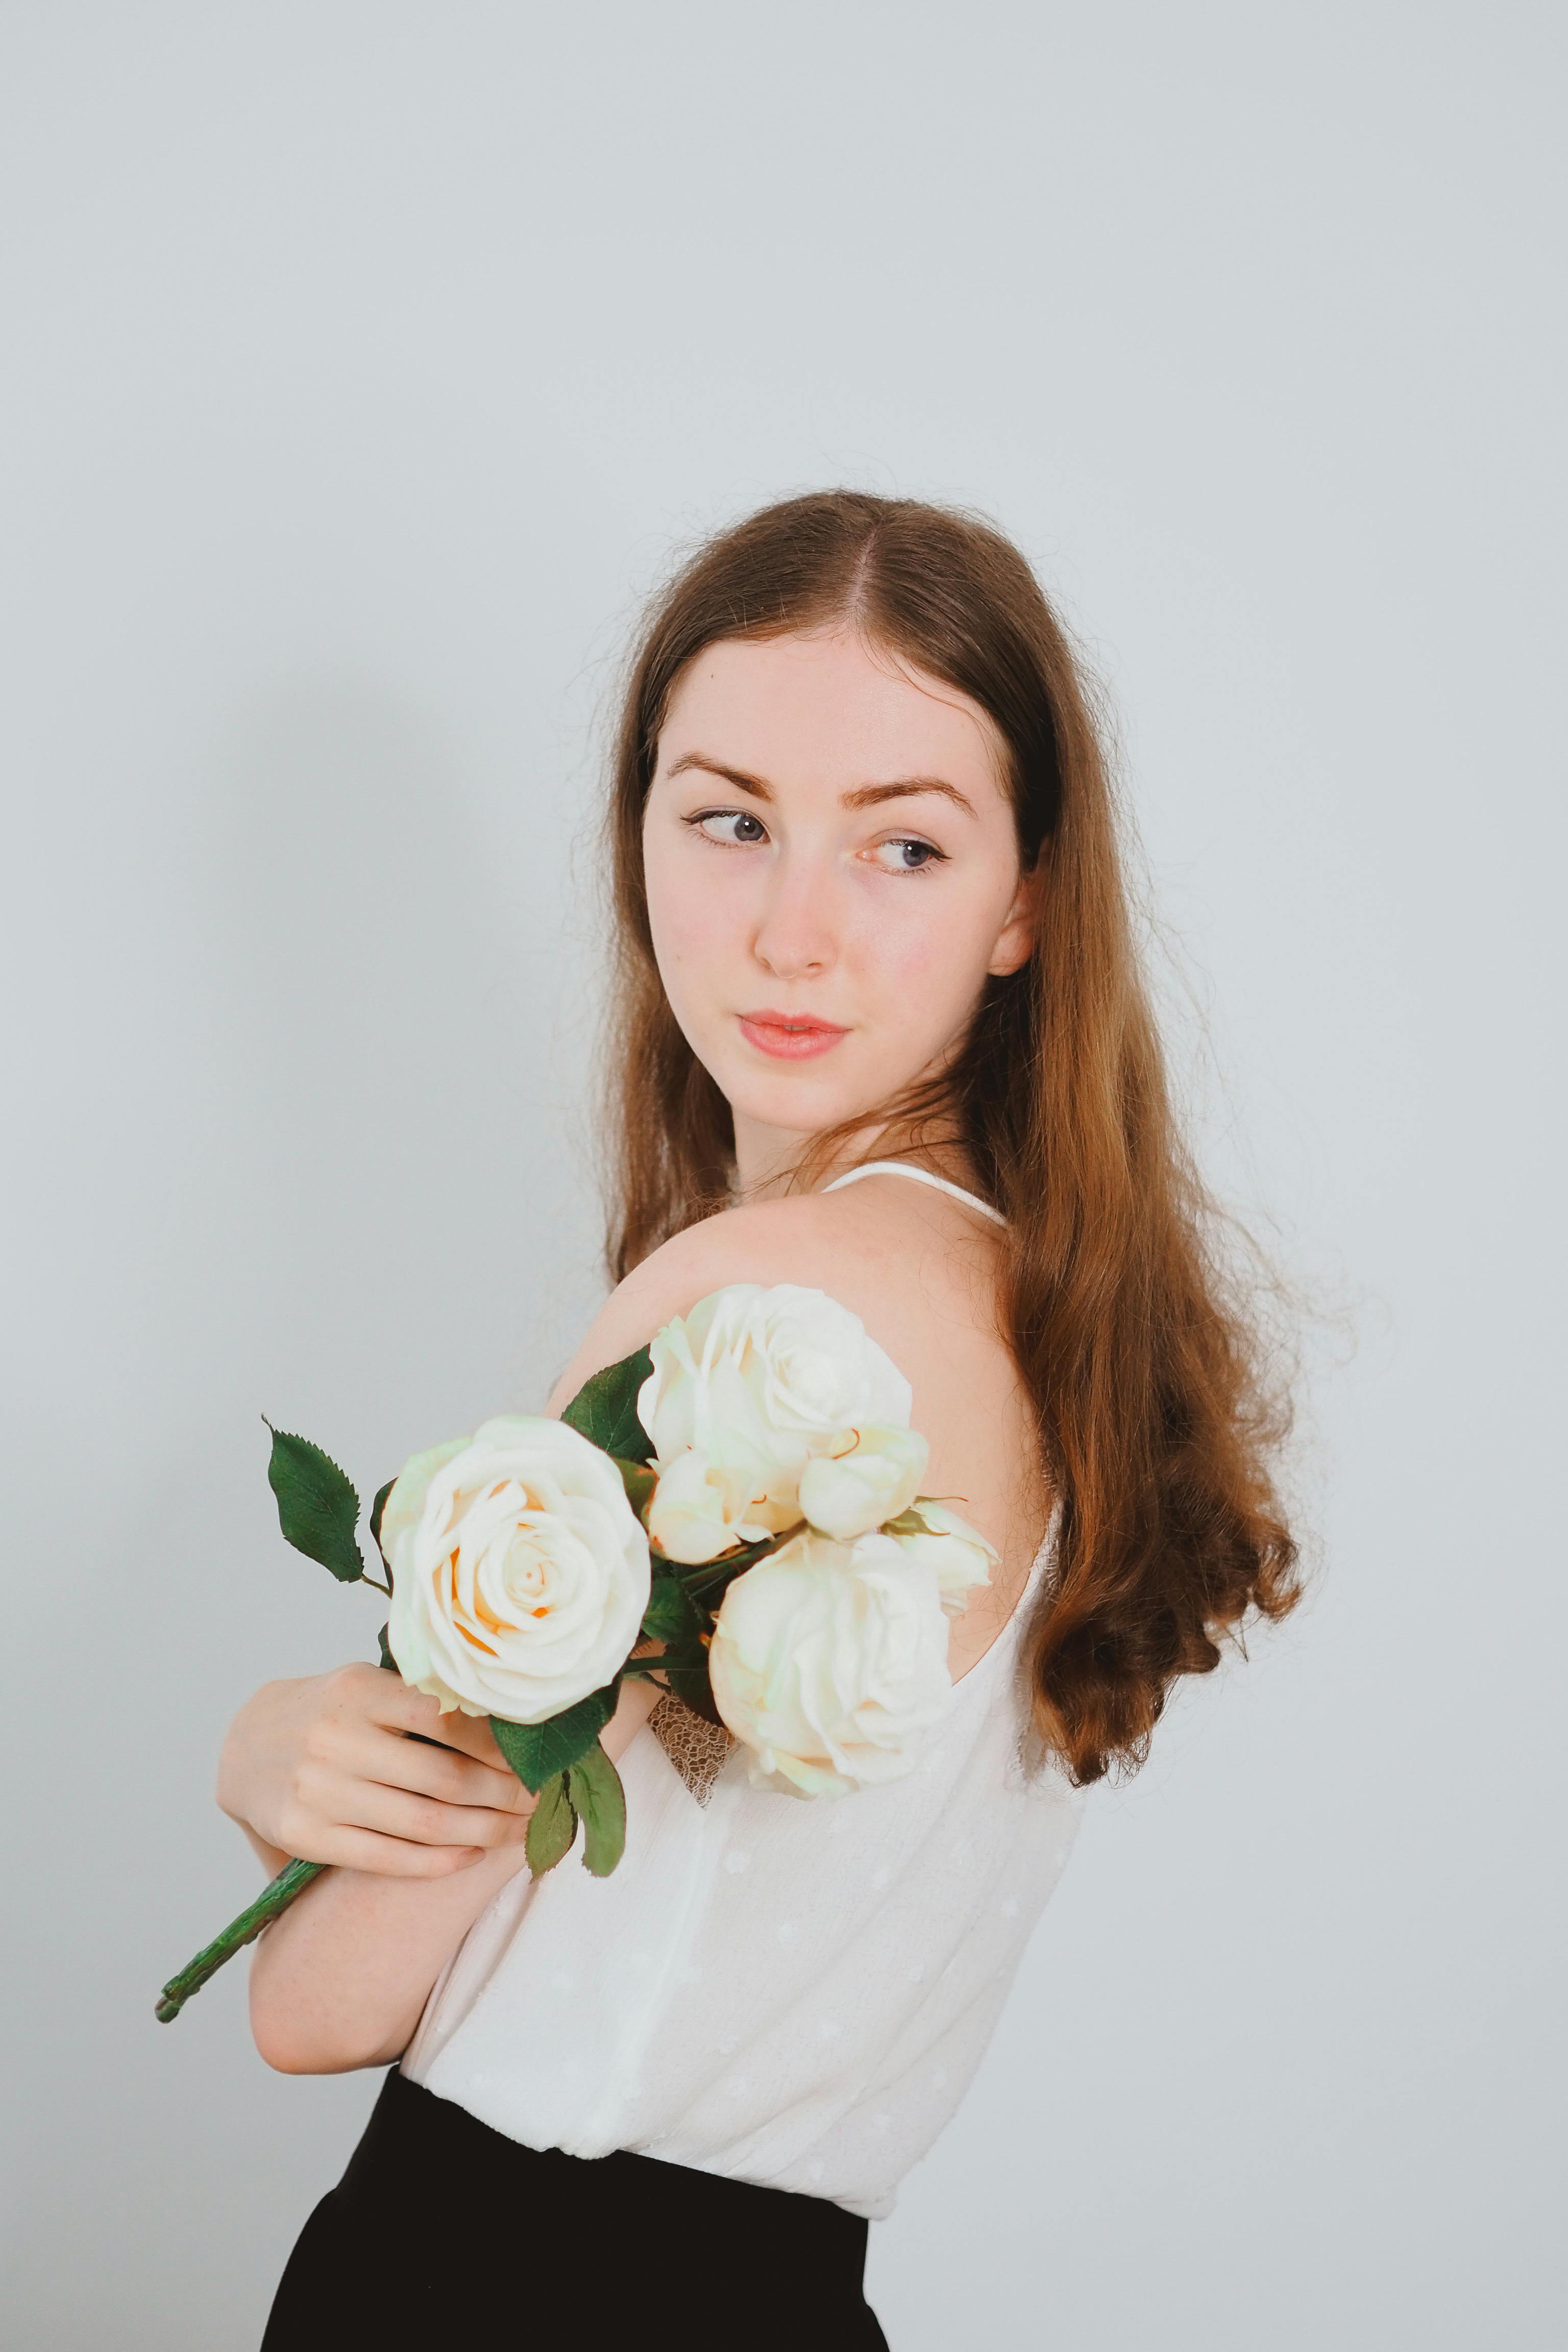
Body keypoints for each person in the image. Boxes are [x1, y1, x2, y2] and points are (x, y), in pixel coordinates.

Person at [221, 491, 1299, 2347]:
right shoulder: (1053, 1315)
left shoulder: (751, 1314)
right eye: (730, 820)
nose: (794, 932)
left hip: (494, 2280)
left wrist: (262, 1763)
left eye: (903, 847)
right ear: (635, 832)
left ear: (1027, 899)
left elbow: (320, 2002)